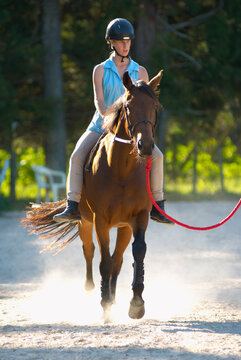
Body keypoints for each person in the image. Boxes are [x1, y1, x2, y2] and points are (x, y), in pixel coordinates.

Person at [54, 18, 174, 225]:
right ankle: (72, 205)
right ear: (111, 43)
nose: (126, 45)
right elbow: (98, 100)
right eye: (121, 41)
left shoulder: (141, 72)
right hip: (100, 125)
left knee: (158, 156)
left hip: (131, 130)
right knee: (77, 155)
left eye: (128, 41)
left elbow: (144, 103)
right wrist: (107, 120)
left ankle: (158, 206)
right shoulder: (100, 70)